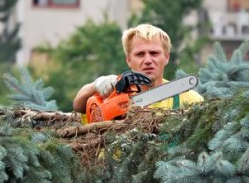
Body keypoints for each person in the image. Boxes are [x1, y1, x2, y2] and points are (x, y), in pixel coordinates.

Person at [72, 24, 203, 115]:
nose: (147, 60)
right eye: (140, 54)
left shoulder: (190, 100)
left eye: (154, 53)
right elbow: (78, 105)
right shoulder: (114, 91)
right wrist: (97, 84)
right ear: (128, 60)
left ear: (167, 57)